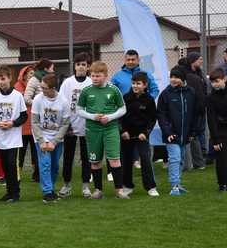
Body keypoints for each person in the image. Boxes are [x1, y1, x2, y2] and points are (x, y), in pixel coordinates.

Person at [76, 61, 128, 199]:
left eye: (98, 76)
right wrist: (92, 116)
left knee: (114, 160)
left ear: (105, 75)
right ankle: (98, 190)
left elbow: (123, 109)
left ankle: (119, 190)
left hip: (110, 129)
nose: (94, 78)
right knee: (95, 161)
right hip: (92, 130)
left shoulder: (113, 90)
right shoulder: (86, 91)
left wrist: (110, 117)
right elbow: (78, 110)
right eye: (92, 75)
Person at [157, 66, 203, 196]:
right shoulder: (166, 94)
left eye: (176, 77)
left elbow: (196, 113)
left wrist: (193, 132)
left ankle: (178, 184)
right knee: (175, 158)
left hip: (186, 134)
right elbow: (161, 115)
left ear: (182, 78)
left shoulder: (191, 92)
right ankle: (174, 185)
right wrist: (168, 132)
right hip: (171, 135)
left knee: (181, 159)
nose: (173, 80)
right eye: (171, 77)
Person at [0, 66, 28, 202]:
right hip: (0, 139)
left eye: (3, 79)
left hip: (14, 139)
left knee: (12, 165)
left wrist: (13, 123)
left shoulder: (17, 96)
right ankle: (8, 193)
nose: (1, 82)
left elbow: (24, 116)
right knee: (5, 166)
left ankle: (15, 193)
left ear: (10, 78)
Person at [58, 52, 93, 198]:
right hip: (70, 127)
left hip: (87, 126)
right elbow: (62, 103)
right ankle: (66, 185)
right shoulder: (67, 82)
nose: (80, 67)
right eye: (78, 64)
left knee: (87, 157)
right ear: (74, 66)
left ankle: (86, 185)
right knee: (68, 157)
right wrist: (67, 125)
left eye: (83, 64)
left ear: (88, 67)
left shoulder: (91, 82)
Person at [31, 73, 70, 203]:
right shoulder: (38, 99)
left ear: (53, 88)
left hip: (57, 138)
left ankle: (51, 189)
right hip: (41, 136)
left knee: (54, 166)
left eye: (44, 88)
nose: (42, 90)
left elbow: (65, 124)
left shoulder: (63, 101)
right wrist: (42, 141)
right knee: (45, 164)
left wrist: (54, 141)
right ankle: (47, 191)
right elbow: (35, 122)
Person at [120, 72, 159, 197]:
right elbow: (121, 117)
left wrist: (145, 133)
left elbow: (152, 118)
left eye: (138, 84)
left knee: (145, 159)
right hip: (127, 135)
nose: (135, 86)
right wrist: (123, 131)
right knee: (126, 161)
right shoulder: (126, 98)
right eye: (133, 83)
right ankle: (127, 185)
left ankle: (150, 187)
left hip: (142, 135)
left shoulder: (149, 100)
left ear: (145, 85)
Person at [206, 68, 227, 192]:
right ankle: (222, 184)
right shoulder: (211, 97)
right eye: (213, 82)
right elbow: (211, 119)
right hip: (220, 132)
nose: (215, 84)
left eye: (217, 81)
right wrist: (215, 139)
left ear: (225, 79)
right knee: (222, 158)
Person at [178, 55, 206, 170]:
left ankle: (188, 164)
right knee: (194, 136)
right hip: (196, 110)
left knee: (189, 137)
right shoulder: (196, 76)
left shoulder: (189, 78)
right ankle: (198, 163)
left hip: (189, 111)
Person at [14, 65, 39, 183]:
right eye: (30, 74)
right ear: (24, 75)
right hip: (22, 126)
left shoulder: (37, 86)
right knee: (21, 153)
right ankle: (18, 174)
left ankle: (37, 174)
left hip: (34, 125)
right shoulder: (17, 87)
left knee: (35, 152)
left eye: (34, 74)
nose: (32, 76)